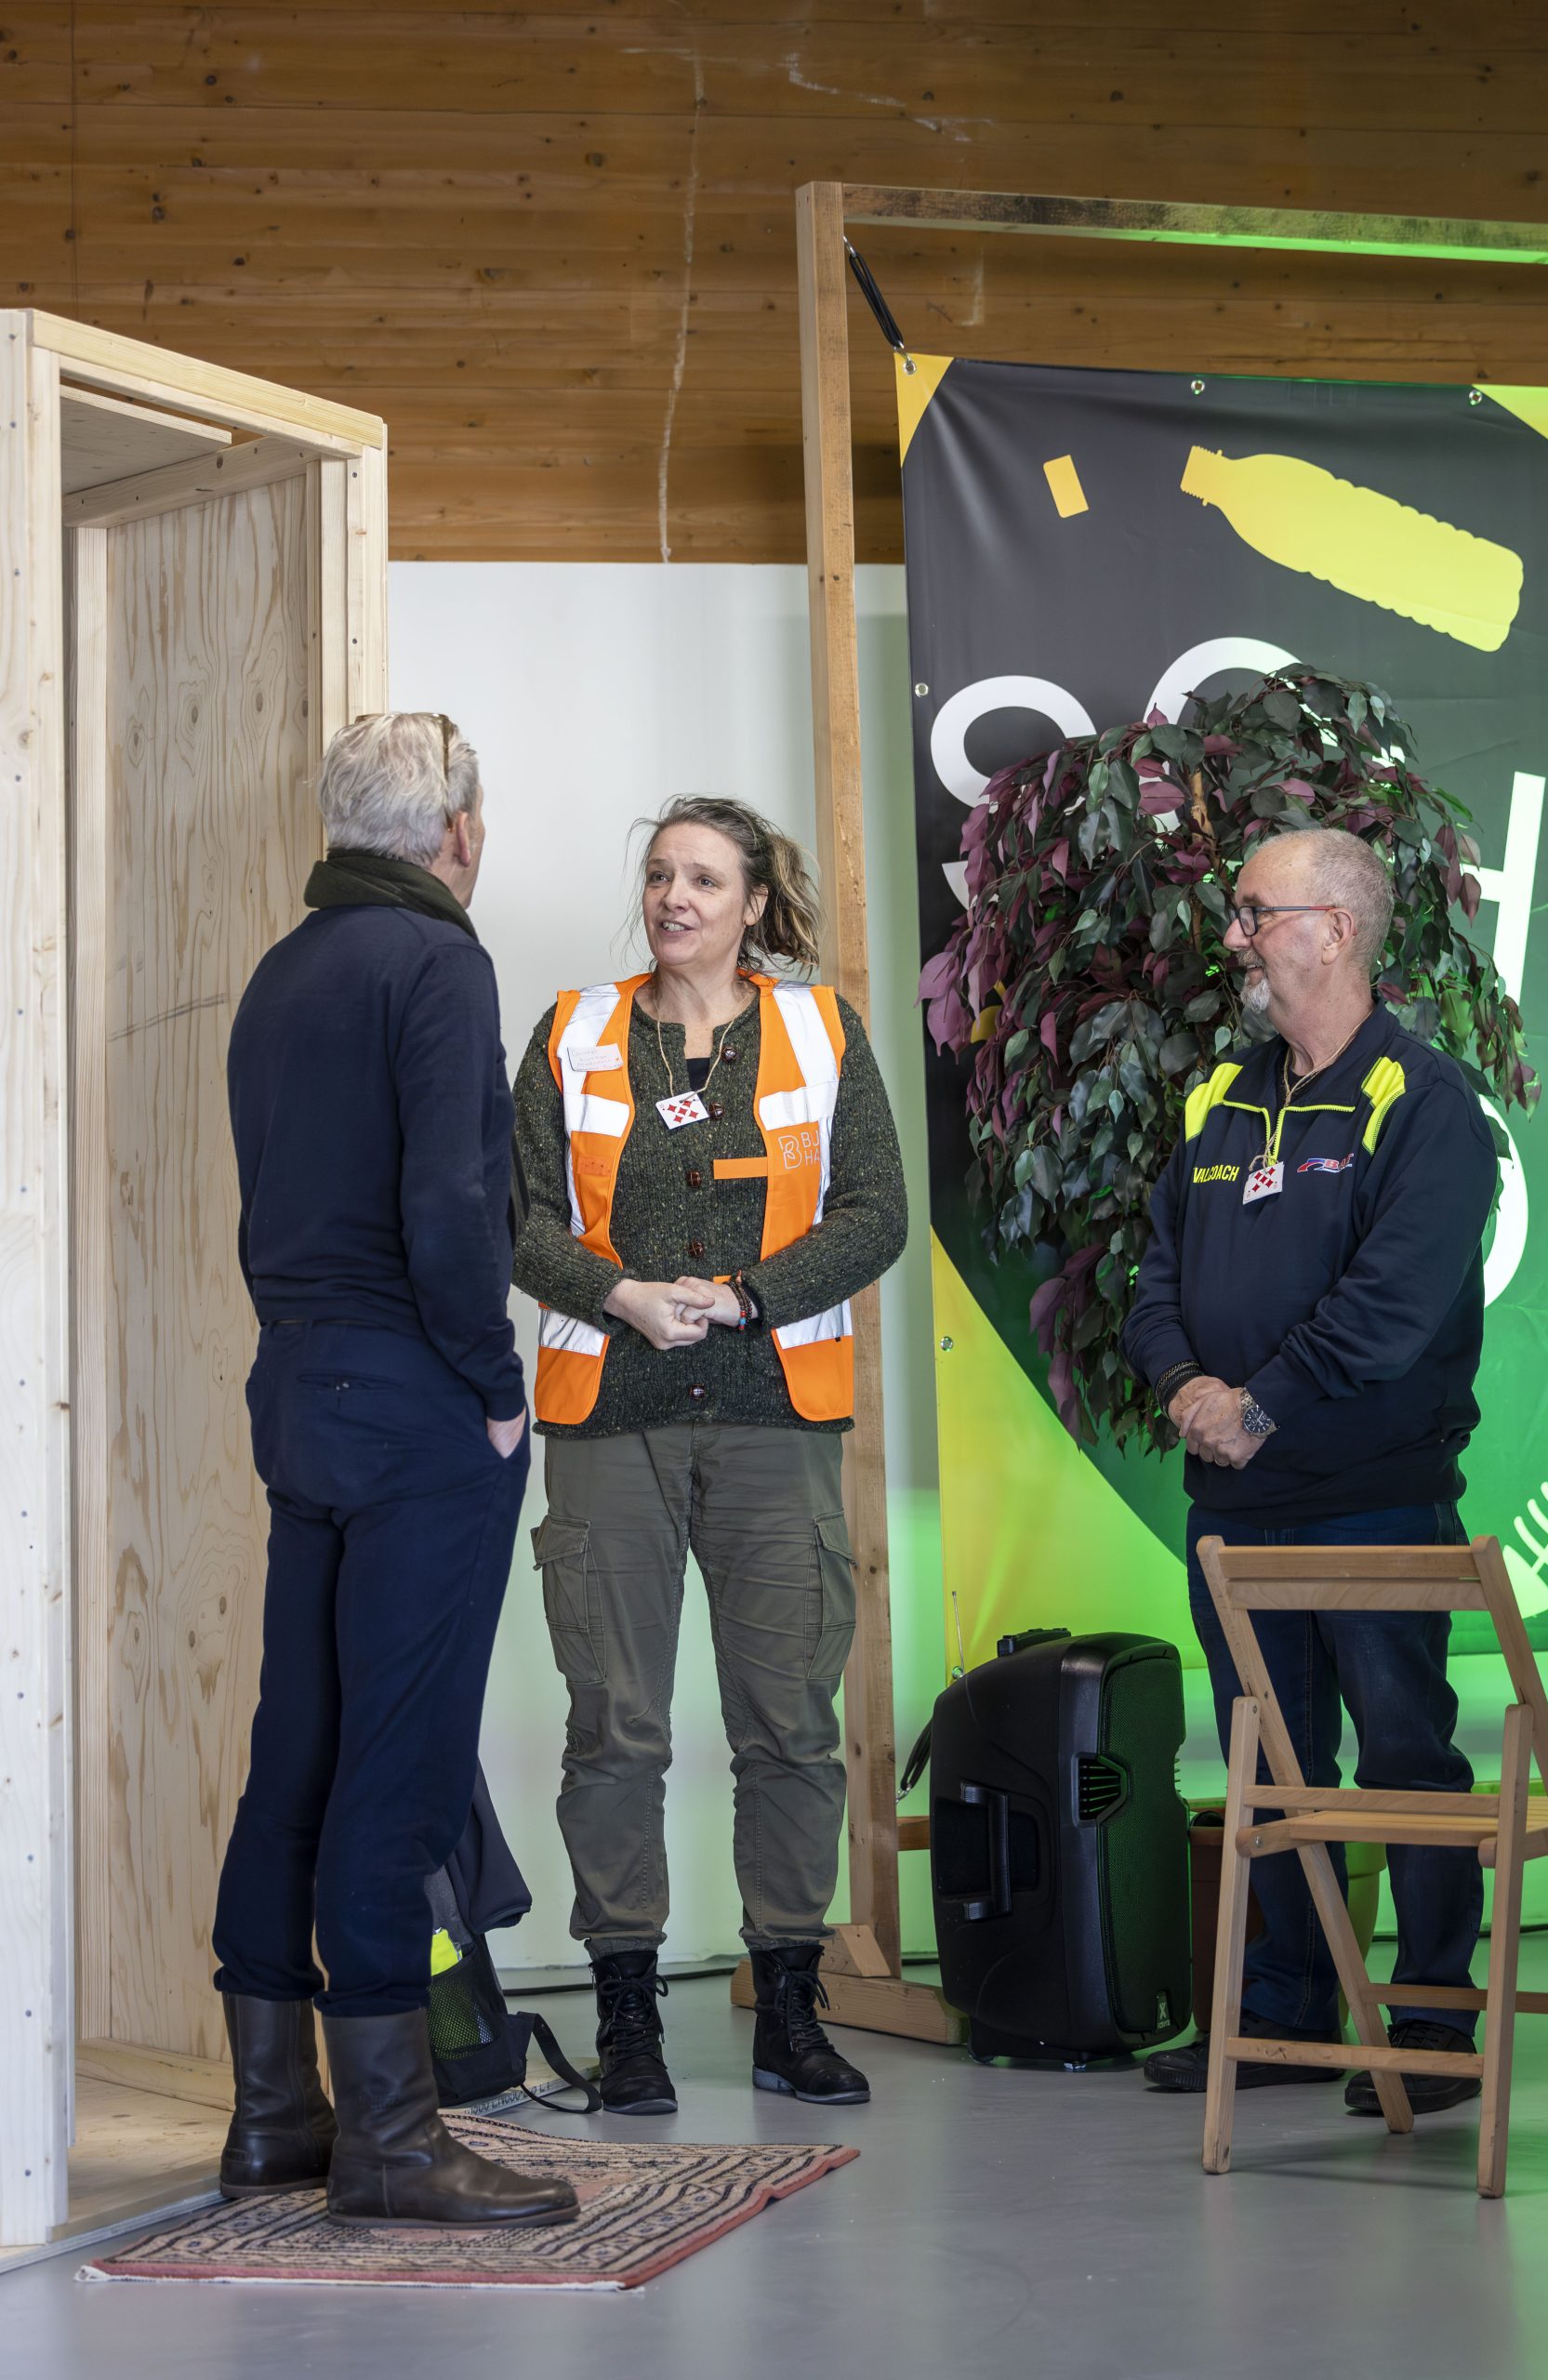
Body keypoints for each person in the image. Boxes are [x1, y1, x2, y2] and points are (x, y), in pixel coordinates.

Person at [212, 711, 575, 2230]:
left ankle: (273, 2116)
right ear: (458, 831)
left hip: (297, 1384)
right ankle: (392, 2140)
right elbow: (451, 1205)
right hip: (416, 1395)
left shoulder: (281, 971)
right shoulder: (437, 961)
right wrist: (495, 1388)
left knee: (297, 1744)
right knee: (402, 1757)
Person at [513, 796, 907, 2115]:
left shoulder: (823, 1029)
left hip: (774, 1419)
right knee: (614, 1729)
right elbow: (517, 1219)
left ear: (754, 903)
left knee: (789, 1726)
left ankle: (789, 2010)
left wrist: (746, 1298)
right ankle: (627, 2019)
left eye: (703, 879)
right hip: (608, 1421)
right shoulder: (572, 1032)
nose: (674, 898)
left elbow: (875, 1213)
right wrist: (622, 1294)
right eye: (659, 875)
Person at [1121, 824, 1497, 2114]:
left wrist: (1259, 1407)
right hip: (1234, 1508)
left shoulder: (1427, 1103)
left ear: (1333, 931)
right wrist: (1187, 1388)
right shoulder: (1220, 1096)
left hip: (1375, 1501)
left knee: (1405, 1760)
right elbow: (1154, 1279)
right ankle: (1287, 2010)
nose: (1232, 937)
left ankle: (1436, 2021)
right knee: (1271, 1771)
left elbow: (1389, 1313)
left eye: (1252, 913)